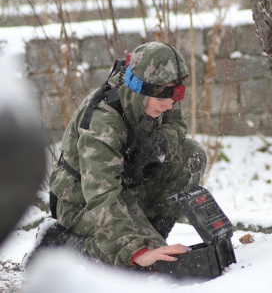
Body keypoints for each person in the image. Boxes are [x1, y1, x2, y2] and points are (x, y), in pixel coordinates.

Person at [23, 41, 207, 270]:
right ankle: (58, 245)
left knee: (191, 155)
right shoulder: (103, 122)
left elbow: (177, 125)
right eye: (162, 100)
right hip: (82, 200)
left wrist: (157, 144)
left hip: (126, 186)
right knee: (134, 260)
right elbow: (101, 193)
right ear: (140, 91)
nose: (169, 105)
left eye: (174, 97)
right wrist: (135, 249)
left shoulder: (160, 92)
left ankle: (153, 238)